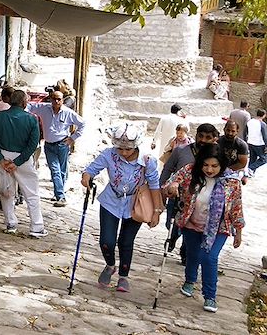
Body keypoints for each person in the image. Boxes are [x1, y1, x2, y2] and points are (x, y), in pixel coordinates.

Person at [81, 123, 163, 293]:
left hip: (135, 203)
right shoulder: (109, 154)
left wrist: (156, 211)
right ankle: (110, 265)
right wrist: (86, 177)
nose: (124, 153)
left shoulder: (148, 160)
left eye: (128, 149)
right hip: (111, 200)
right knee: (106, 240)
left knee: (126, 241)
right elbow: (91, 169)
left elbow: (154, 185)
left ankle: (123, 277)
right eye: (120, 149)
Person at [165, 144, 245, 313]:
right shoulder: (190, 171)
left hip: (219, 227)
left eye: (214, 166)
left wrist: (238, 231)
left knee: (209, 258)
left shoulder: (232, 181)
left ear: (222, 165)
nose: (209, 169)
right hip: (191, 223)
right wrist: (171, 187)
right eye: (206, 165)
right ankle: (190, 280)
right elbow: (172, 181)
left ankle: (210, 296)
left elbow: (236, 206)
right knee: (193, 254)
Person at [0, 89, 48, 238]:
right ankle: (36, 227)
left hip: (3, 156)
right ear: (24, 102)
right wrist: (18, 161)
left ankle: (11, 224)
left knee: (6, 192)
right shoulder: (31, 119)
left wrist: (1, 158)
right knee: (31, 193)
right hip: (23, 158)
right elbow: (33, 144)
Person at [160, 123, 220, 265]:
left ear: (214, 139)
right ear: (196, 135)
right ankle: (174, 235)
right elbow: (168, 169)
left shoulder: (216, 156)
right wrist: (162, 190)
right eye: (201, 136)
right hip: (178, 197)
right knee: (172, 223)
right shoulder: (180, 151)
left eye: (208, 137)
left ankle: (186, 251)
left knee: (190, 228)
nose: (203, 140)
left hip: (199, 201)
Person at [28, 90, 85, 207]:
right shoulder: (44, 109)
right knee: (55, 170)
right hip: (49, 145)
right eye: (54, 99)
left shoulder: (68, 113)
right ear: (50, 99)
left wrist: (73, 138)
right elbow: (29, 106)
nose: (56, 101)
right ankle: (61, 196)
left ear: (62, 100)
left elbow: (82, 123)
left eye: (59, 99)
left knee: (62, 170)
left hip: (62, 144)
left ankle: (59, 193)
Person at [244, 109, 267, 174]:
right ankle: (250, 169)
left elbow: (245, 132)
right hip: (259, 144)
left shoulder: (250, 121)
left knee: (252, 158)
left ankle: (250, 173)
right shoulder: (262, 124)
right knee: (264, 159)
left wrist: (246, 140)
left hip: (250, 142)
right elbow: (265, 136)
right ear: (264, 115)